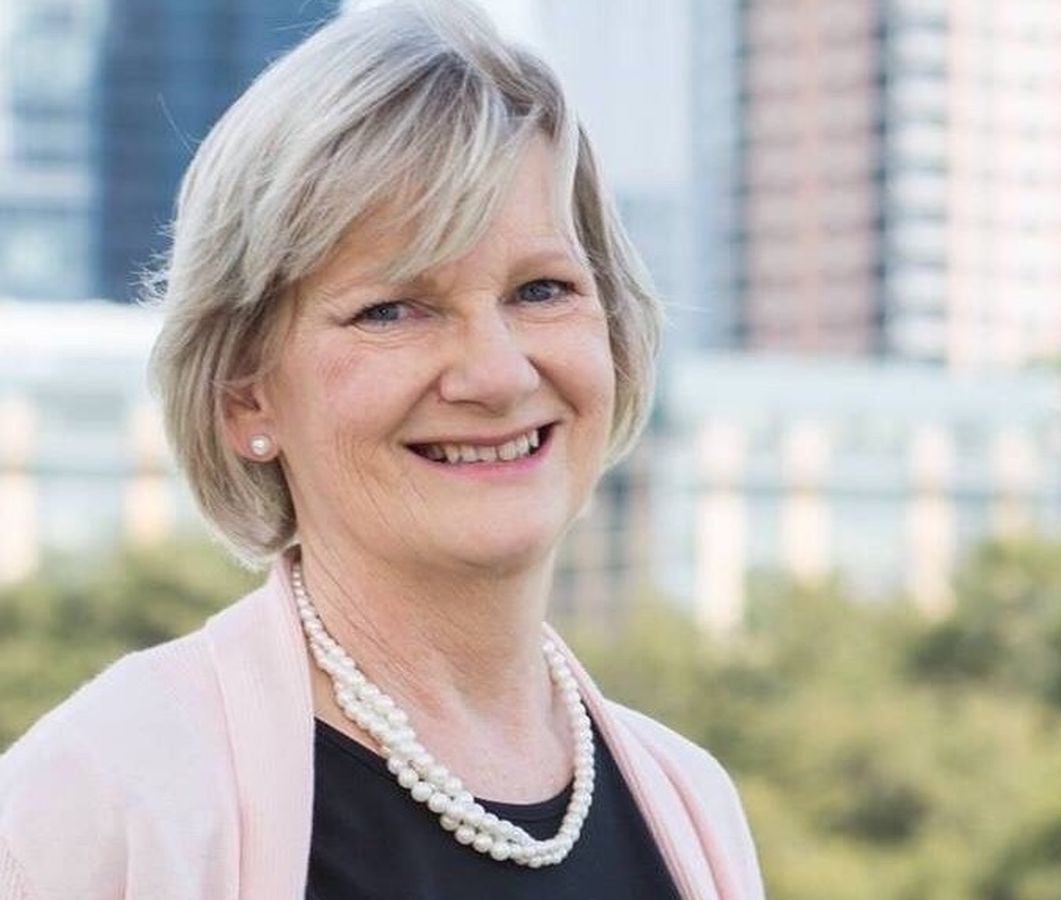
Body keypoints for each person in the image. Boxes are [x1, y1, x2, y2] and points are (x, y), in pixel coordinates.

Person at [0, 2, 764, 897]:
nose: (497, 373)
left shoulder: (691, 803)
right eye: (393, 309)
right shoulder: (110, 792)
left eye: (542, 289)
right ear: (245, 393)